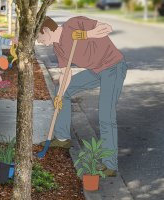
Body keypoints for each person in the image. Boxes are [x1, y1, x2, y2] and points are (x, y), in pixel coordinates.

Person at [37, 16, 127, 177]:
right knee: (61, 91)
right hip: (95, 71)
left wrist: (86, 34)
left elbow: (107, 28)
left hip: (113, 67)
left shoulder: (73, 24)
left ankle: (110, 165)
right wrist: (60, 95)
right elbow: (65, 73)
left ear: (46, 30)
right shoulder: (58, 47)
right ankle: (63, 138)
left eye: (39, 37)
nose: (39, 41)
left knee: (106, 115)